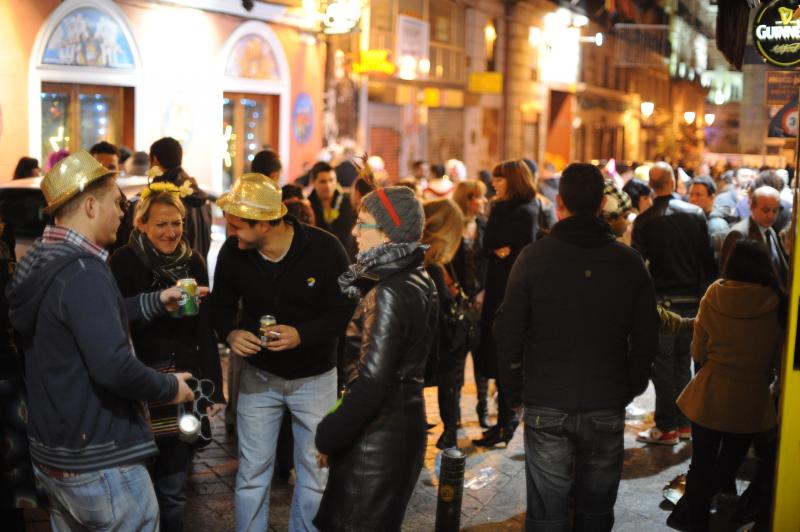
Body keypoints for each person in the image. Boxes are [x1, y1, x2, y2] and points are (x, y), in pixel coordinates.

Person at [6, 151, 195, 531]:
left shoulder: (44, 258)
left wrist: (155, 300)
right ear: (91, 206)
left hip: (55, 455)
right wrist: (167, 387)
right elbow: (113, 365)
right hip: (100, 460)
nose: (123, 213)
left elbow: (83, 319)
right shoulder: (81, 270)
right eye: (117, 203)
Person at [494, 162, 658, 531]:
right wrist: (631, 385)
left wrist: (514, 387)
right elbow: (646, 335)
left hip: (547, 397)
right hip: (605, 397)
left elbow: (511, 331)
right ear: (602, 202)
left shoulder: (533, 258)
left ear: (560, 202)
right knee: (596, 510)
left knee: (547, 512)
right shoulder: (628, 262)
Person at [212, 173, 354, 531]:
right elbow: (221, 306)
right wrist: (231, 332)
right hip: (259, 378)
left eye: (237, 226)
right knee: (252, 471)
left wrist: (302, 335)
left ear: (264, 224)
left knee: (315, 471)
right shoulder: (234, 253)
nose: (230, 234)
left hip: (315, 379)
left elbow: (343, 312)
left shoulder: (325, 248)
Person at [314, 186, 437, 529]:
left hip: (377, 440)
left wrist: (328, 434)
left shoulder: (387, 292)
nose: (354, 232)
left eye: (362, 223)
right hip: (401, 426)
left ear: (387, 233)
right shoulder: (418, 277)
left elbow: (370, 383)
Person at [110, 183, 225, 531]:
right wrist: (160, 302)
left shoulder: (193, 260)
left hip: (184, 384)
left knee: (174, 485)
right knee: (139, 481)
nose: (172, 232)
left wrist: (214, 388)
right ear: (141, 223)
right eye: (161, 224)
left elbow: (205, 329)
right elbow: (115, 321)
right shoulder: (122, 261)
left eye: (177, 223)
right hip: (142, 382)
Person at [667, 239, 783, 531]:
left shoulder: (715, 294)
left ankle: (693, 519)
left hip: (710, 391)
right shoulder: (779, 302)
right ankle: (696, 510)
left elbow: (698, 351)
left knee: (702, 462)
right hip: (751, 396)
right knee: (728, 464)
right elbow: (780, 356)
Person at [633, 162, 716, 445]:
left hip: (663, 305)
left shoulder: (644, 222)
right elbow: (708, 260)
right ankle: (683, 424)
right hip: (693, 302)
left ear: (651, 186)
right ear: (673, 182)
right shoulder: (695, 215)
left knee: (663, 367)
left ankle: (666, 426)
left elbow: (640, 270)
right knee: (683, 364)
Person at [473, 159, 539, 447]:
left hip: (510, 288)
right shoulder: (500, 207)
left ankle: (507, 421)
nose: (494, 183)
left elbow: (520, 248)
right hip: (497, 285)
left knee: (506, 350)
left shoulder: (524, 210)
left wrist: (501, 248)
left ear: (513, 180)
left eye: (500, 179)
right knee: (494, 350)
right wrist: (497, 248)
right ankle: (502, 421)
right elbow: (489, 245)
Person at [421, 199, 466, 449]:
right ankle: (449, 431)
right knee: (449, 378)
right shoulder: (434, 265)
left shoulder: (421, 254)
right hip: (438, 341)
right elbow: (441, 304)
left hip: (427, 339)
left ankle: (436, 426)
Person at [451, 180, 490, 428]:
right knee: (455, 363)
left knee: (482, 361)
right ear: (467, 199)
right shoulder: (453, 228)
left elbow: (489, 264)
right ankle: (453, 414)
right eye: (479, 197)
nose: (484, 201)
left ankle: (482, 408)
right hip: (457, 301)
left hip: (481, 300)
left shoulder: (486, 227)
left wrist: (485, 291)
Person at [149, 137, 213, 258]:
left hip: (174, 273)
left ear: (154, 159)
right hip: (198, 269)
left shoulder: (163, 198)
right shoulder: (199, 195)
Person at [721, 186, 788, 286]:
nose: (771, 216)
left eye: (775, 210)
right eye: (766, 210)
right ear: (752, 206)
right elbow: (731, 279)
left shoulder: (770, 230)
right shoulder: (738, 234)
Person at [307, 161, 357, 260]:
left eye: (331, 180)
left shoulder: (348, 203)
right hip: (319, 261)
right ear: (313, 182)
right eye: (323, 181)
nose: (328, 186)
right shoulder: (308, 206)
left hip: (347, 261)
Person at [687, 176, 730, 258]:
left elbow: (720, 259)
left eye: (698, 195)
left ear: (712, 197)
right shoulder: (697, 219)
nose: (692, 199)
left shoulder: (717, 226)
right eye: (691, 194)